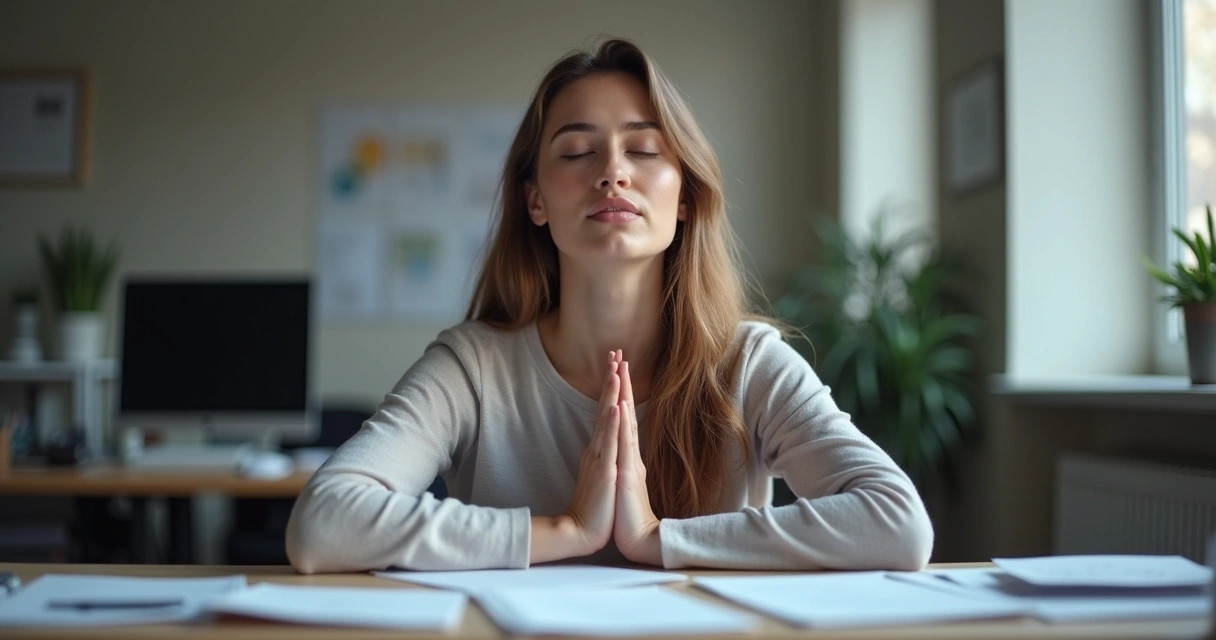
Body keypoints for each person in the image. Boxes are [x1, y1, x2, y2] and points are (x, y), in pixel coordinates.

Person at [286, 38, 933, 573]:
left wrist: (659, 539)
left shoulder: (749, 363)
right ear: (535, 200)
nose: (612, 171)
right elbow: (323, 524)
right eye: (576, 151)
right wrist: (565, 529)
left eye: (645, 149)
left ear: (684, 198)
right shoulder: (472, 366)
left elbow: (897, 524)